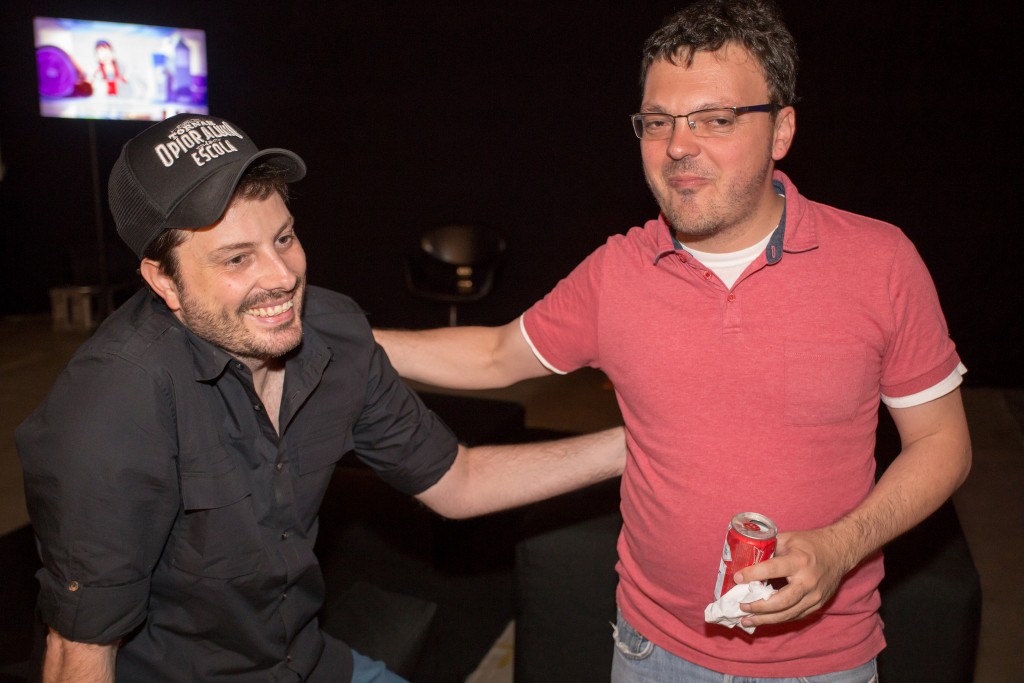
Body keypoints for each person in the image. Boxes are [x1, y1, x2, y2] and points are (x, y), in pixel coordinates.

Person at [373, 0, 972, 680]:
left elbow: (943, 443)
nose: (678, 145)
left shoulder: (879, 261)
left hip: (822, 661)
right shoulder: (616, 273)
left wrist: (841, 546)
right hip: (650, 651)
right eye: (658, 122)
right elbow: (490, 355)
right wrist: (330, 335)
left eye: (715, 119)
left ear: (781, 130)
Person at [15, 113, 625, 683]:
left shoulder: (331, 332)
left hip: (309, 664)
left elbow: (460, 481)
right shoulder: (110, 410)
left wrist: (638, 443)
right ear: (163, 280)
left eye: (283, 238)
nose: (282, 276)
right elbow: (79, 653)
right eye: (236, 258)